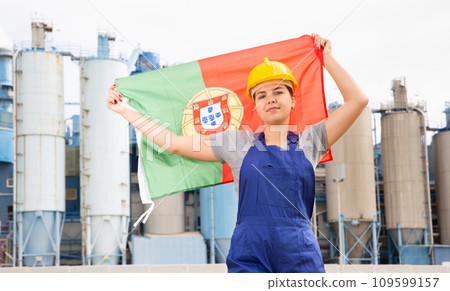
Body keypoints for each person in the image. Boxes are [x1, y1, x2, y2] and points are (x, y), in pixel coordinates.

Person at [106, 34, 368, 272]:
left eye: (279, 91)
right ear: (254, 106)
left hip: (299, 251)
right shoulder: (237, 144)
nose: (271, 99)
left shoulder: (311, 142)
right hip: (250, 251)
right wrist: (125, 111)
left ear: (293, 100)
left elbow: (358, 100)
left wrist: (328, 58)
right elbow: (173, 143)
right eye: (262, 95)